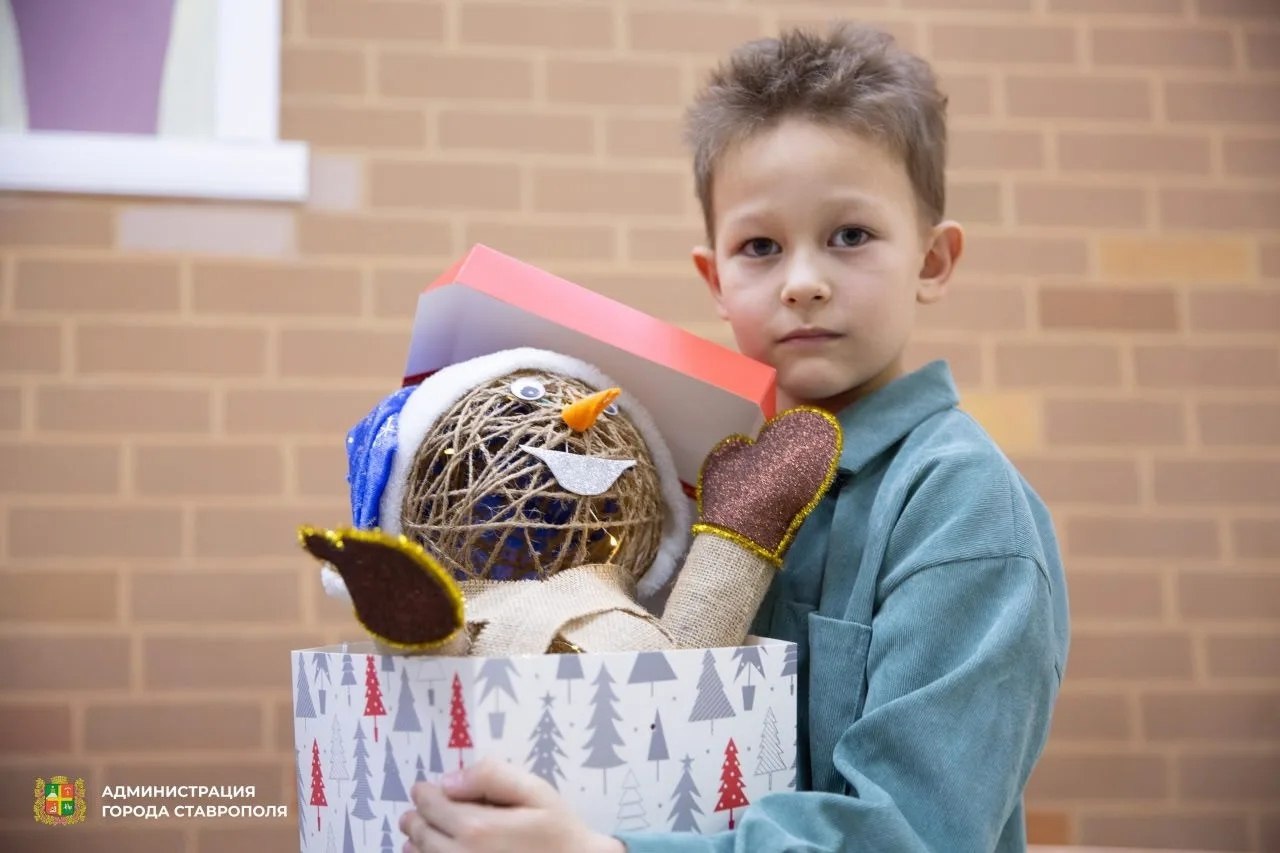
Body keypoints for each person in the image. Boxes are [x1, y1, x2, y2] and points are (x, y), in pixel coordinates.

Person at [399, 22, 1069, 853]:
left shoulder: (961, 506)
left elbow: (909, 834)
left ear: (932, 261)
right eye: (760, 247)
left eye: (851, 235)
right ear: (715, 278)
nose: (803, 282)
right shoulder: (673, 484)